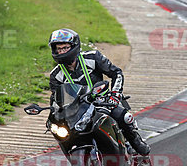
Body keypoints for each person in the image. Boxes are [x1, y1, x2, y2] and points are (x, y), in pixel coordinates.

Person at [48, 28, 150, 156]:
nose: (62, 51)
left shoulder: (92, 57)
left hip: (103, 101)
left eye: (65, 48)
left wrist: (115, 94)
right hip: (79, 110)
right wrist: (54, 113)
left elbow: (116, 73)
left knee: (123, 117)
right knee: (64, 133)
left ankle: (136, 143)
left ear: (74, 46)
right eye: (59, 48)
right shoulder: (55, 75)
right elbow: (56, 98)